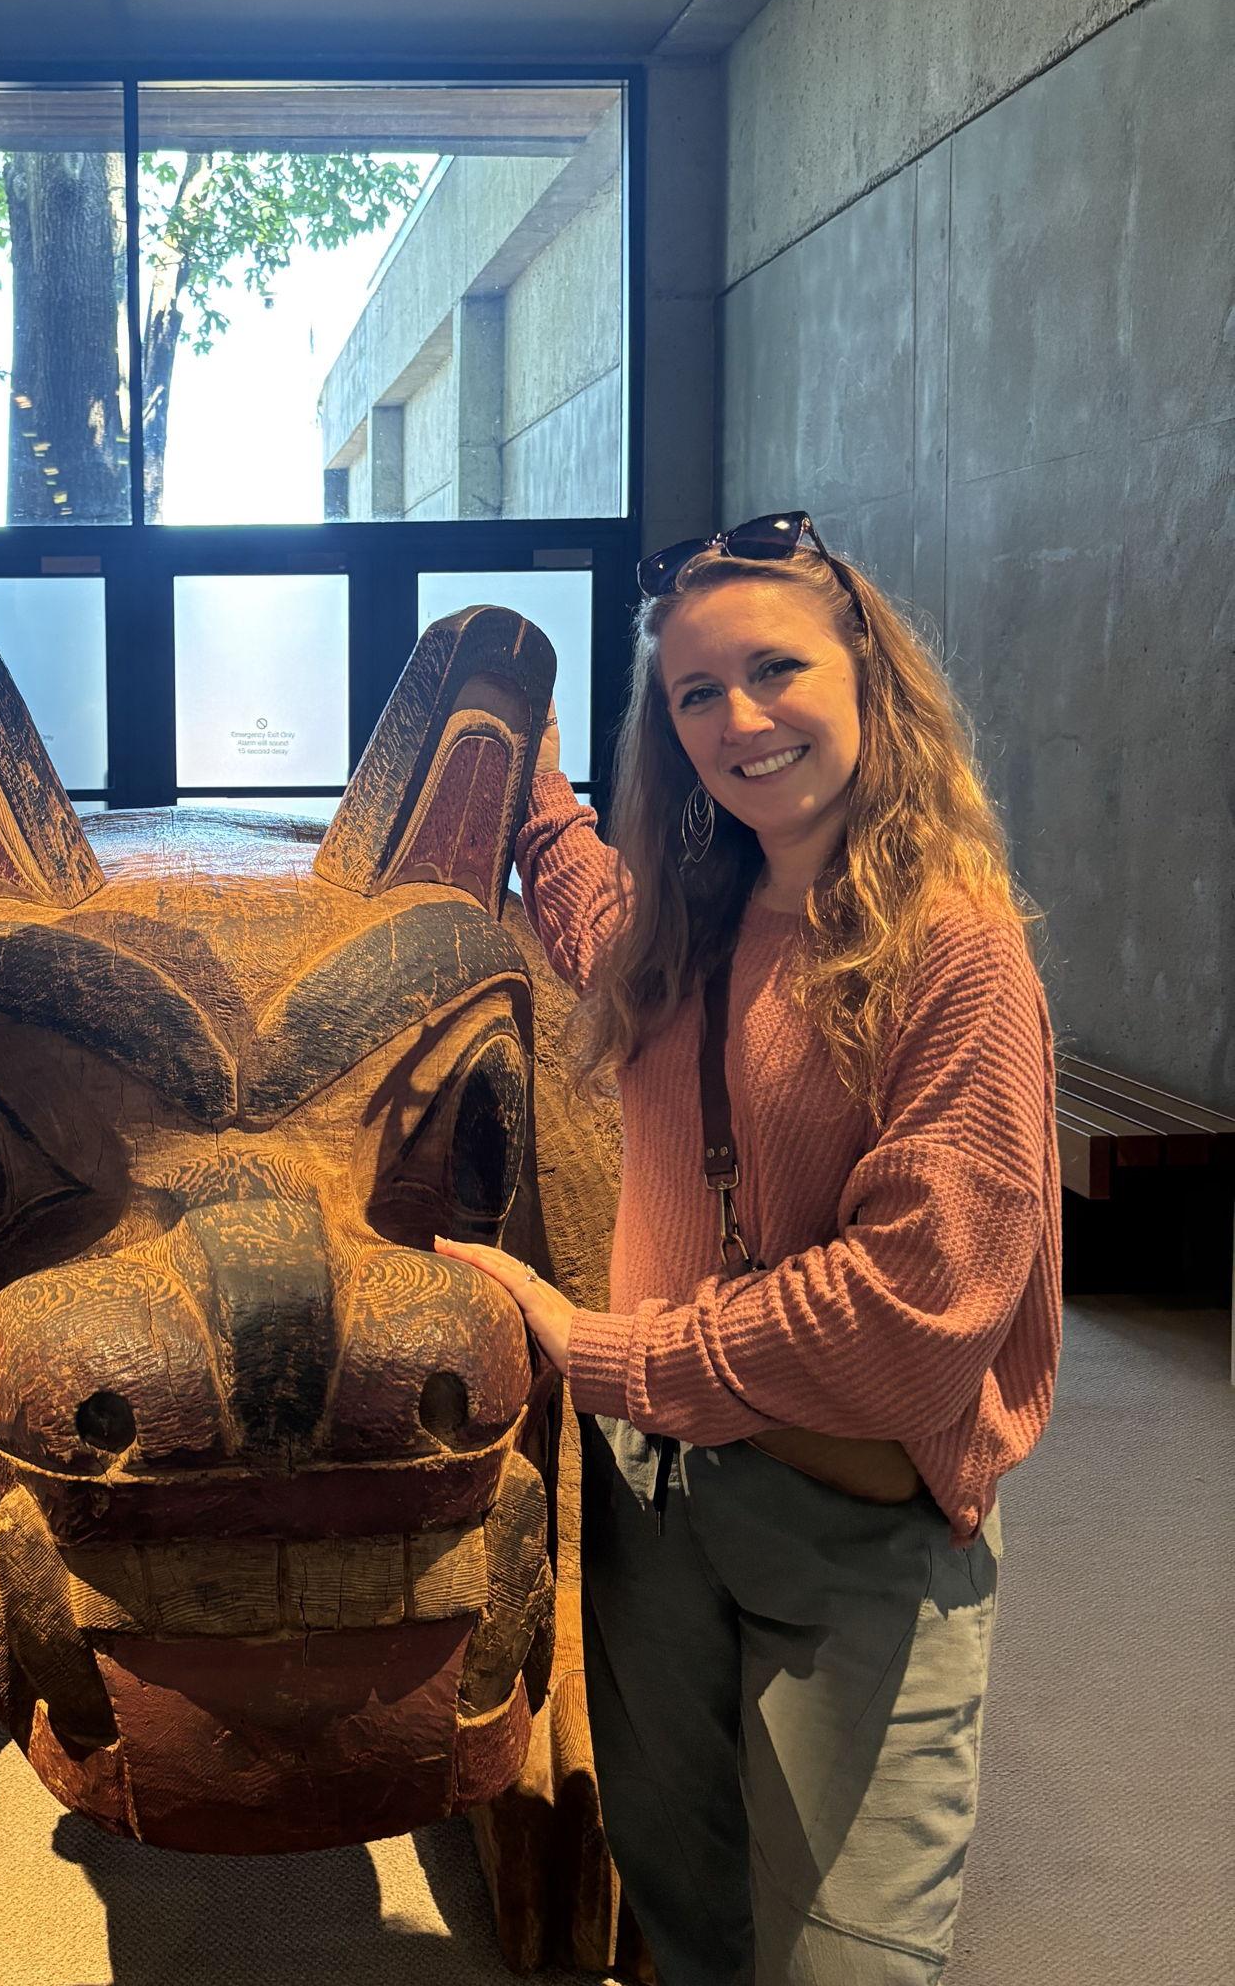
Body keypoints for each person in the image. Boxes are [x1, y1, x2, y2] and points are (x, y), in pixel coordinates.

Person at [438, 512, 1062, 1986]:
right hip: (660, 1511)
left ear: (867, 671)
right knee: (687, 1903)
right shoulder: (689, 921)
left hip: (854, 1525)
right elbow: (592, 912)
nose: (738, 719)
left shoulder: (953, 945)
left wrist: (598, 1353)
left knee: (850, 1956)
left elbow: (911, 1309)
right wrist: (521, 781)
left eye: (773, 669)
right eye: (694, 695)